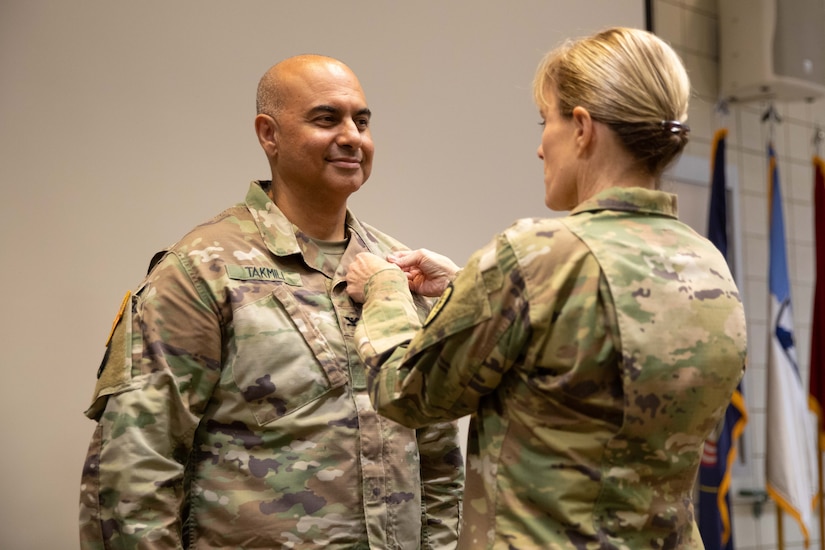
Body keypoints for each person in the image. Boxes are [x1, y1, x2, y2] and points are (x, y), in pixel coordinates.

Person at [345, 27, 747, 549]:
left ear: (581, 128)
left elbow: (406, 393)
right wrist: (467, 287)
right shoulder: (708, 263)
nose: (539, 147)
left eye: (546, 120)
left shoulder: (535, 257)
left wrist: (384, 290)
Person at [78, 54, 464, 549]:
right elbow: (133, 464)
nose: (352, 136)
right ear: (269, 134)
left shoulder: (397, 272)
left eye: (361, 121)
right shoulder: (202, 270)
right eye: (327, 119)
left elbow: (436, 455)